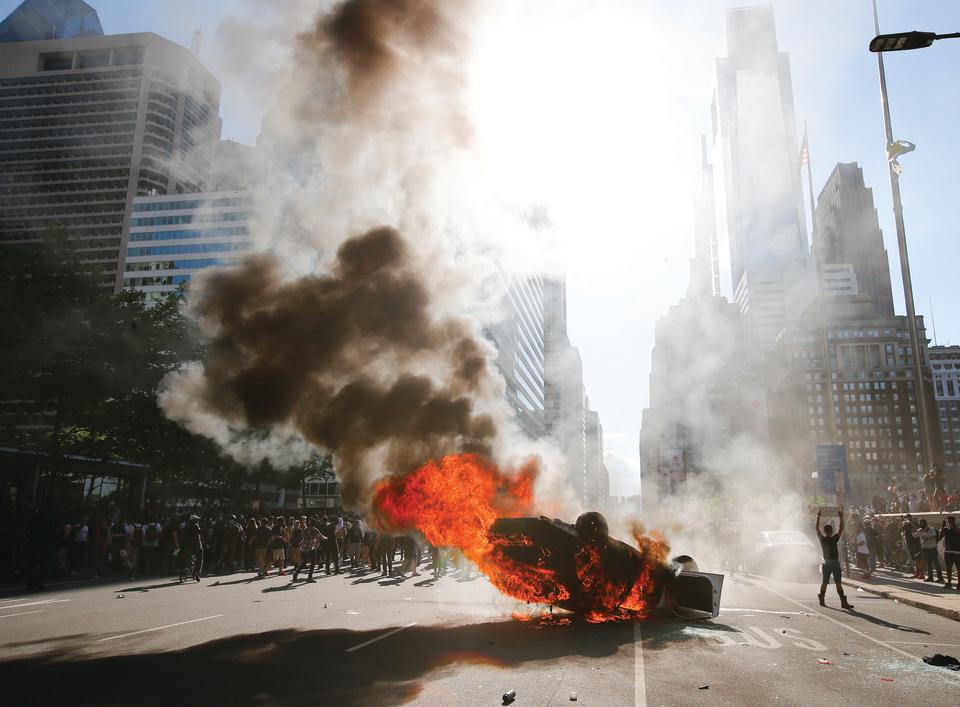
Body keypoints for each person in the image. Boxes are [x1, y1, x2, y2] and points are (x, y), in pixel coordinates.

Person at [815, 508, 854, 609]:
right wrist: (841, 517)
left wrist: (818, 517)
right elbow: (841, 528)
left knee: (824, 581)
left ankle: (822, 597)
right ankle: (843, 602)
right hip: (834, 563)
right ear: (831, 531)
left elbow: (817, 529)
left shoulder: (822, 539)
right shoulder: (834, 539)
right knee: (838, 582)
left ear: (825, 531)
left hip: (826, 562)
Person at [178, 515, 203, 583]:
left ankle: (186, 568)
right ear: (195, 521)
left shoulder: (186, 527)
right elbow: (200, 532)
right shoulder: (196, 526)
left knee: (187, 557)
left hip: (187, 546)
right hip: (196, 546)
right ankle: (197, 571)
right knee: (200, 558)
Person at [916, 519, 942, 584]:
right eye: (919, 523)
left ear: (925, 523)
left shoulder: (931, 529)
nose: (920, 524)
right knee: (928, 564)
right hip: (925, 549)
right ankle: (930, 577)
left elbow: (929, 536)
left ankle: (940, 578)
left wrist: (920, 533)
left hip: (932, 549)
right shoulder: (920, 530)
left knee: (936, 564)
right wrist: (914, 529)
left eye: (921, 523)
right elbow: (914, 535)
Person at [940, 516, 960, 590]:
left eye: (950, 521)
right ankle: (949, 583)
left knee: (959, 568)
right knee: (948, 568)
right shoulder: (945, 529)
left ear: (954, 521)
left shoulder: (958, 528)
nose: (949, 522)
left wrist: (953, 528)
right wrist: (942, 526)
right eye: (948, 521)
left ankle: (959, 584)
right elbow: (940, 535)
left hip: (957, 551)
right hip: (948, 551)